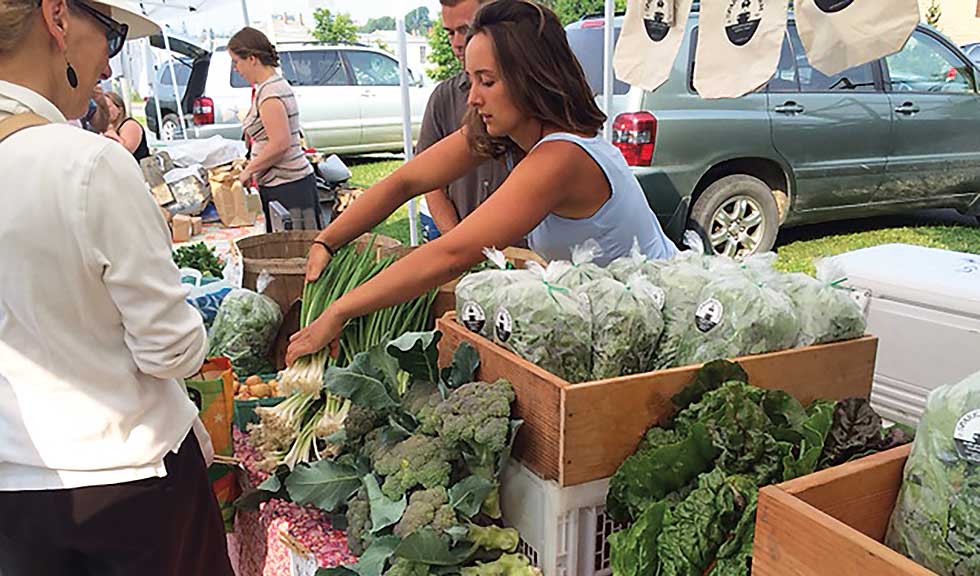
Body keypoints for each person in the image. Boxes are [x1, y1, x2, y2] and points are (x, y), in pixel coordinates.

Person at [286, 0, 678, 365]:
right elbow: (406, 181)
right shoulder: (512, 132)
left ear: (530, 79)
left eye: (486, 81)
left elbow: (453, 254)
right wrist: (326, 241)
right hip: (615, 320)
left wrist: (339, 310)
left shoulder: (561, 158)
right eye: (470, 80)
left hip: (664, 317)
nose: (472, 98)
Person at [0, 1, 233, 574]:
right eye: (113, 34)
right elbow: (170, 349)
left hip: (14, 492)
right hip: (130, 482)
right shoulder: (87, 163)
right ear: (57, 18)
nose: (108, 64)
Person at [417, 0, 511, 242]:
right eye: (449, 33)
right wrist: (456, 240)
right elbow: (424, 179)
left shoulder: (554, 144)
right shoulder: (443, 97)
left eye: (466, 30)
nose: (457, 43)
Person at [229, 27, 320, 233]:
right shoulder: (268, 88)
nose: (236, 68)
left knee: (295, 254)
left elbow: (280, 142)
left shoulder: (271, 92)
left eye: (236, 61)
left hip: (289, 186)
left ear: (252, 58)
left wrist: (249, 170)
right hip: (284, 183)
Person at [102, 89, 149, 160]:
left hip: (135, 168)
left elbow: (126, 153)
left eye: (108, 107)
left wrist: (112, 135)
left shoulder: (130, 125)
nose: (104, 111)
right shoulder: (104, 127)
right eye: (102, 108)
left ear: (120, 109)